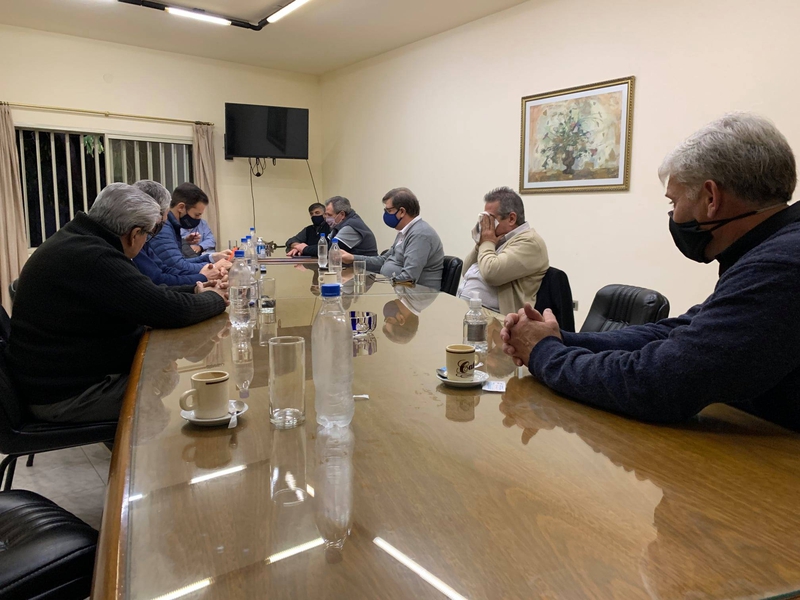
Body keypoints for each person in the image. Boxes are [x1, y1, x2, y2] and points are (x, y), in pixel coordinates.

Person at [501, 113, 800, 431]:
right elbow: (683, 331)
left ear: (711, 198)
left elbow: (659, 383)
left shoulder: (782, 264)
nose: (673, 215)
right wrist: (563, 339)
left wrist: (544, 352)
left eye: (674, 202)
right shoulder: (770, 249)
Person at [5, 183, 229, 424]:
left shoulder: (79, 240)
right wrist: (216, 297)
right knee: (170, 405)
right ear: (134, 234)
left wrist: (195, 290)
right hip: (65, 396)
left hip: (56, 381)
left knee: (163, 373)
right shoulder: (95, 257)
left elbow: (146, 294)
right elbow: (170, 311)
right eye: (148, 234)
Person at [458, 187, 549, 314]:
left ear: (511, 219)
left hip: (498, 317)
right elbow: (466, 271)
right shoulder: (498, 238)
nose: (486, 224)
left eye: (490, 219)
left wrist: (487, 242)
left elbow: (492, 274)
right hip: (471, 309)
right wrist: (479, 244)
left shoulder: (530, 242)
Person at [342, 188, 444, 288]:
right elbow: (383, 261)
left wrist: (382, 285)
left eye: (389, 211)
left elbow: (409, 279)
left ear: (402, 212)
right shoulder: (405, 232)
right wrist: (352, 258)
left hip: (417, 295)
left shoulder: (420, 235)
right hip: (399, 290)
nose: (386, 214)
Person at [132, 180, 224, 287]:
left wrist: (211, 260)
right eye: (165, 211)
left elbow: (165, 269)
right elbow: (170, 271)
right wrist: (210, 270)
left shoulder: (169, 227)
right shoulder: (162, 228)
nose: (165, 217)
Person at [149, 182, 231, 273]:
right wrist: (215, 266)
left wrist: (212, 258)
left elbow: (182, 262)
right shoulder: (164, 229)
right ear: (181, 207)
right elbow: (178, 267)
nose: (199, 219)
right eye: (197, 215)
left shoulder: (172, 226)